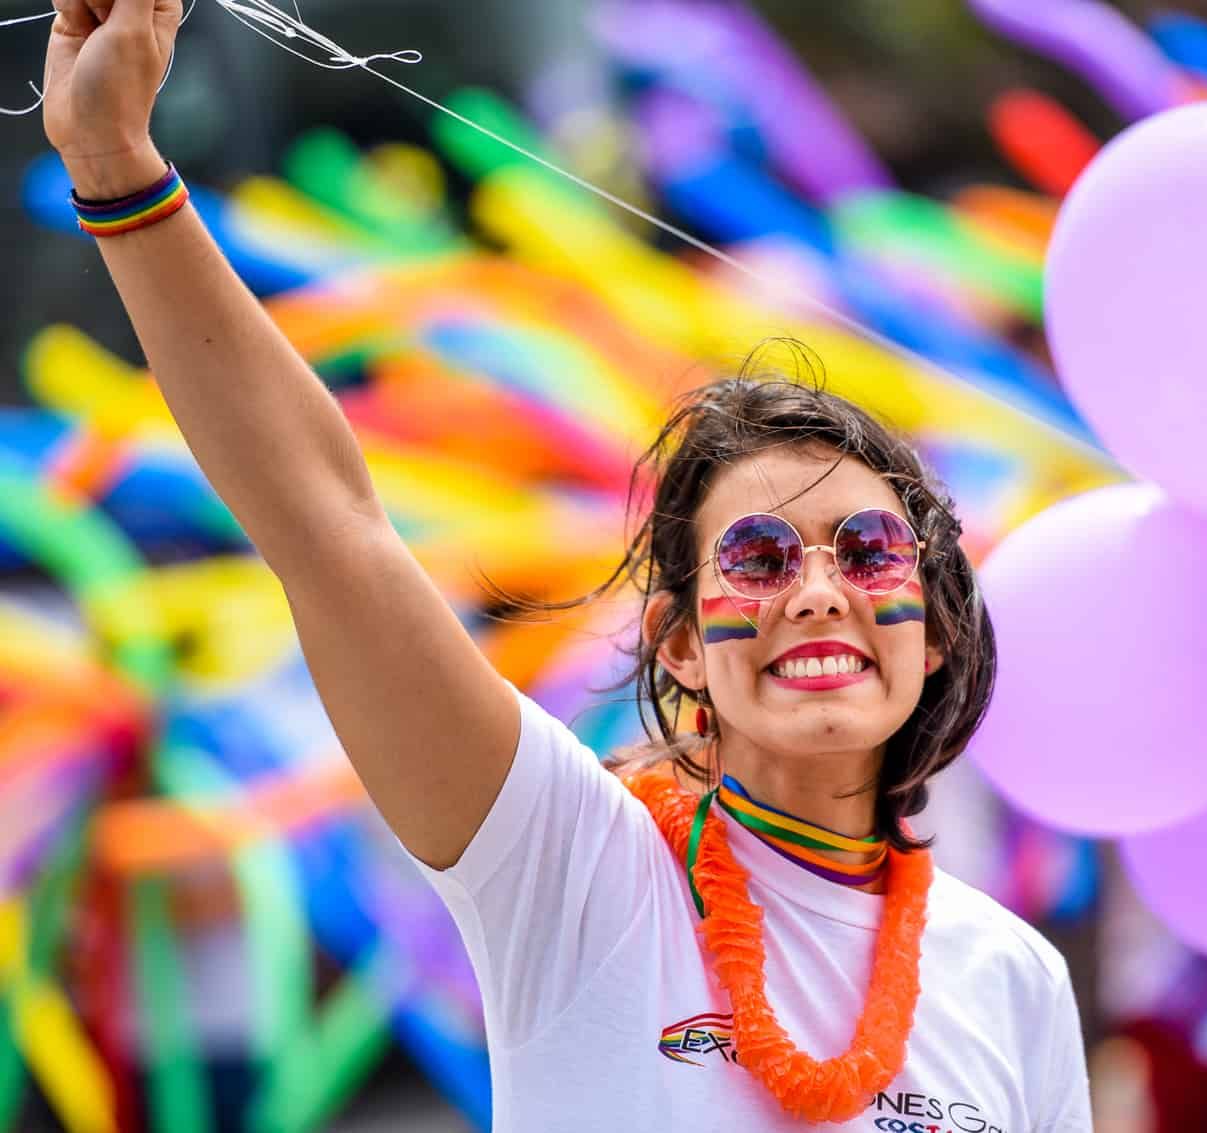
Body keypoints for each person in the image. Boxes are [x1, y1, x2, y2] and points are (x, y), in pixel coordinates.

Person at [41, 0, 1093, 1128]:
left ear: (931, 631)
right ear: (681, 645)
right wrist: (118, 172)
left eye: (869, 548)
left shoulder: (1013, 978)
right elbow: (327, 526)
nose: (819, 586)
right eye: (755, 554)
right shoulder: (569, 865)